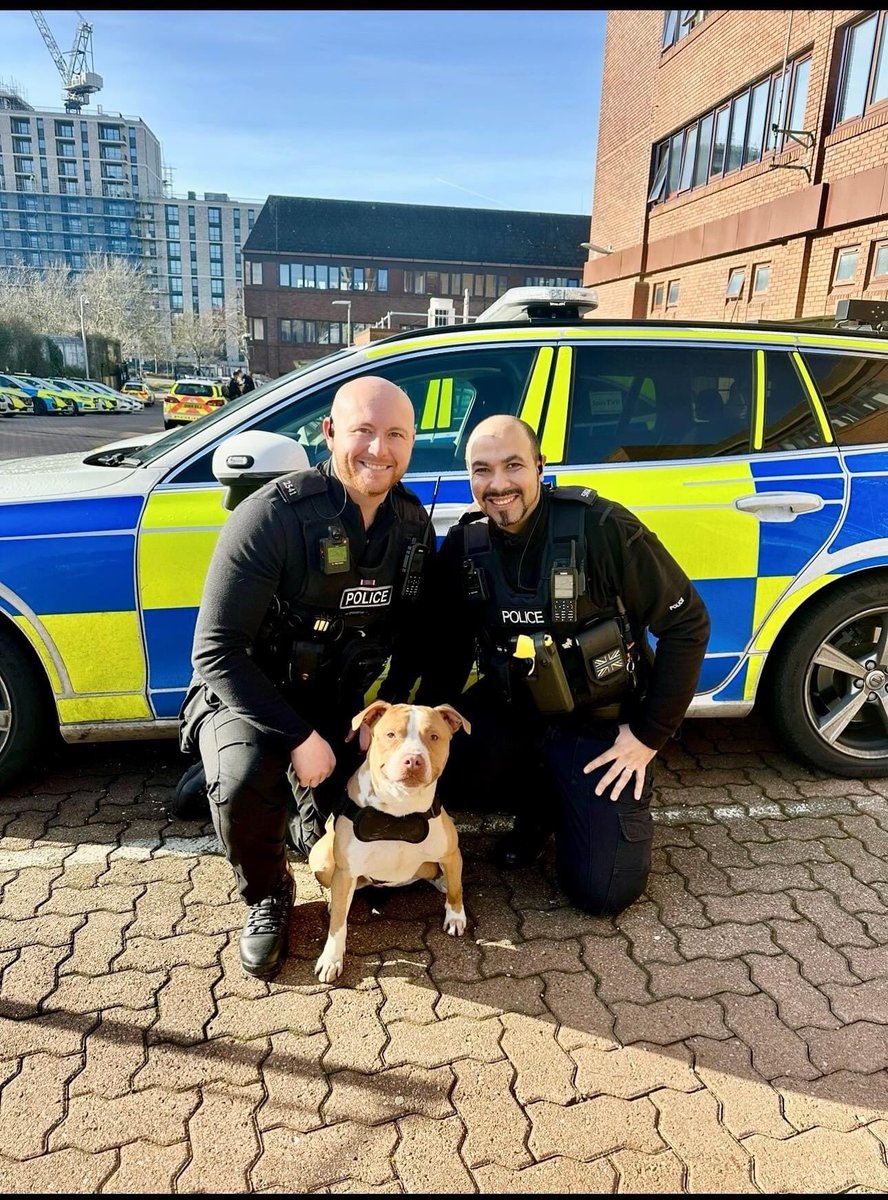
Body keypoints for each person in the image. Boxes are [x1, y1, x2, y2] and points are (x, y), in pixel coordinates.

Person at [178, 376, 433, 979]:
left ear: (412, 442)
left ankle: (217, 786)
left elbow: (420, 634)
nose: (379, 449)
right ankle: (266, 895)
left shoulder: (410, 523)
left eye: (395, 434)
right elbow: (216, 652)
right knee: (245, 786)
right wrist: (300, 739)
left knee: (338, 834)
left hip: (334, 699)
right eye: (363, 431)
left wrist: (389, 719)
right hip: (243, 695)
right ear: (329, 434)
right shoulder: (271, 515)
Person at [416, 415, 710, 917]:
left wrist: (646, 737)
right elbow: (447, 652)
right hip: (514, 712)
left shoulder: (600, 526)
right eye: (482, 470)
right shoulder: (466, 548)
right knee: (425, 767)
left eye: (513, 466)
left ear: (539, 467)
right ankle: (539, 809)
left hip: (598, 722)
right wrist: (416, 737)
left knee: (604, 892)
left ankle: (571, 805)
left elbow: (688, 625)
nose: (499, 484)